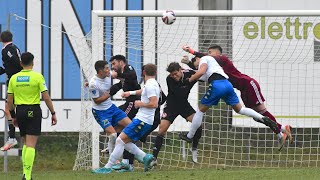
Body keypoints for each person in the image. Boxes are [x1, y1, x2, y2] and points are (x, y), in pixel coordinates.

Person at [182, 45, 292, 150]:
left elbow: (203, 63)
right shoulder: (215, 66)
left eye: (210, 52)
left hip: (248, 84)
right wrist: (188, 65)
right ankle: (282, 129)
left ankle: (280, 133)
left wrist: (192, 51)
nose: (208, 54)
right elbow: (201, 72)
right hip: (241, 89)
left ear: (217, 53)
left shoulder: (222, 59)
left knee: (262, 112)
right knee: (254, 116)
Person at [92, 63, 160, 174]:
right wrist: (130, 93)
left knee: (119, 140)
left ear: (143, 72)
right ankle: (145, 158)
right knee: (124, 141)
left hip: (142, 120)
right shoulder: (152, 83)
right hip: (143, 120)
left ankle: (109, 167)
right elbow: (143, 91)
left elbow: (154, 104)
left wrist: (140, 104)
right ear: (155, 73)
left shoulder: (151, 85)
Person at [7, 52, 57, 180]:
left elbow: (9, 102)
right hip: (33, 110)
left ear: (20, 63)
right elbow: (46, 97)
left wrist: (13, 116)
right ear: (33, 62)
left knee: (25, 143)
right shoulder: (37, 77)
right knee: (31, 144)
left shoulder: (14, 78)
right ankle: (27, 176)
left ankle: (25, 173)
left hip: (20, 111)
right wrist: (53, 112)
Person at [151, 62, 201, 164]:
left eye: (175, 74)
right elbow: (180, 93)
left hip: (184, 105)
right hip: (171, 106)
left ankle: (194, 149)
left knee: (199, 124)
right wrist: (190, 81)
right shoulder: (169, 79)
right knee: (161, 130)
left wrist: (195, 73)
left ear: (180, 70)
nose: (174, 76)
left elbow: (201, 73)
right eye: (172, 74)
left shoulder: (189, 73)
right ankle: (154, 158)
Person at [89, 60, 131, 156]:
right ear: (100, 71)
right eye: (107, 68)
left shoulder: (109, 75)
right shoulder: (93, 84)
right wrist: (110, 93)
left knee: (131, 127)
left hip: (111, 108)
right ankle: (112, 162)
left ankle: (111, 145)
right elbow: (97, 101)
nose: (109, 70)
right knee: (112, 135)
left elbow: (123, 77)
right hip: (100, 112)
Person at [0, 30, 23, 151]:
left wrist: (15, 73)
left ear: (1, 39)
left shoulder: (6, 50)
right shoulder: (15, 47)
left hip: (13, 81)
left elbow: (15, 61)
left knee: (7, 109)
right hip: (16, 79)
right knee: (10, 107)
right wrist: (4, 70)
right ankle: (15, 130)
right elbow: (14, 63)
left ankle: (12, 137)